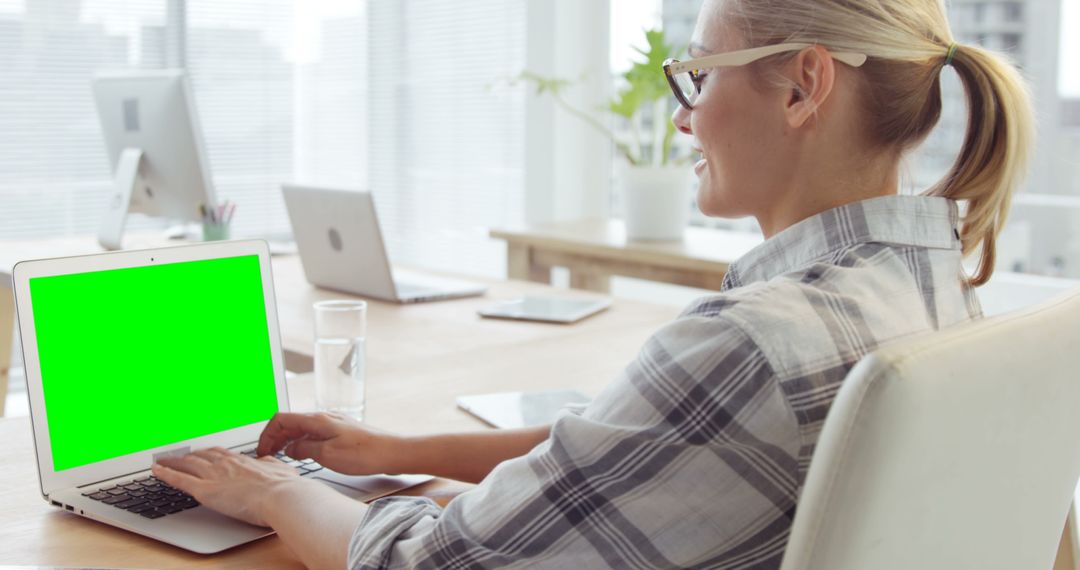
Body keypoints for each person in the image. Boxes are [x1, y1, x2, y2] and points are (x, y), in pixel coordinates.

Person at [152, 0, 1033, 567]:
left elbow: (421, 566)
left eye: (697, 75)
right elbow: (626, 443)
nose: (683, 116)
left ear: (805, 85)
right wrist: (395, 452)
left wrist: (271, 491)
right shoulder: (931, 287)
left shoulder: (750, 343)